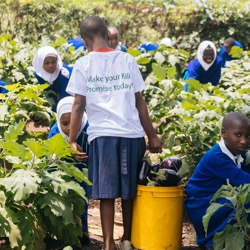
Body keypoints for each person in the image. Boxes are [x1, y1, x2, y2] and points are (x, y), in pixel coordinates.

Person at [66, 16, 162, 250]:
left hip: (102, 137)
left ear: (84, 40)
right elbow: (140, 102)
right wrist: (152, 135)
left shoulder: (83, 64)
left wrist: (71, 140)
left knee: (106, 193)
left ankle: (108, 243)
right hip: (131, 134)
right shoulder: (127, 61)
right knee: (129, 192)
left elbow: (78, 105)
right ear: (108, 35)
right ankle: (127, 239)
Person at [185, 112, 250, 249]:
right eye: (238, 135)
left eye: (247, 136)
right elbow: (245, 180)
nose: (244, 140)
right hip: (202, 206)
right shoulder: (217, 158)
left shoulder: (238, 152)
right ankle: (213, 241)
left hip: (213, 200)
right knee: (246, 201)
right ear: (223, 133)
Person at [48, 96, 90, 246]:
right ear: (58, 121)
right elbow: (51, 156)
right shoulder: (55, 131)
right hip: (61, 174)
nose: (68, 127)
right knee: (61, 202)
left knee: (81, 202)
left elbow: (95, 154)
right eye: (64, 123)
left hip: (83, 174)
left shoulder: (88, 129)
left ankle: (83, 230)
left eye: (73, 121)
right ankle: (61, 232)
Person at [32, 46, 72, 111]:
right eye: (47, 63)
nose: (51, 65)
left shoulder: (64, 74)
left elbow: (66, 98)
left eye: (53, 62)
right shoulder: (39, 74)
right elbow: (48, 95)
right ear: (40, 63)